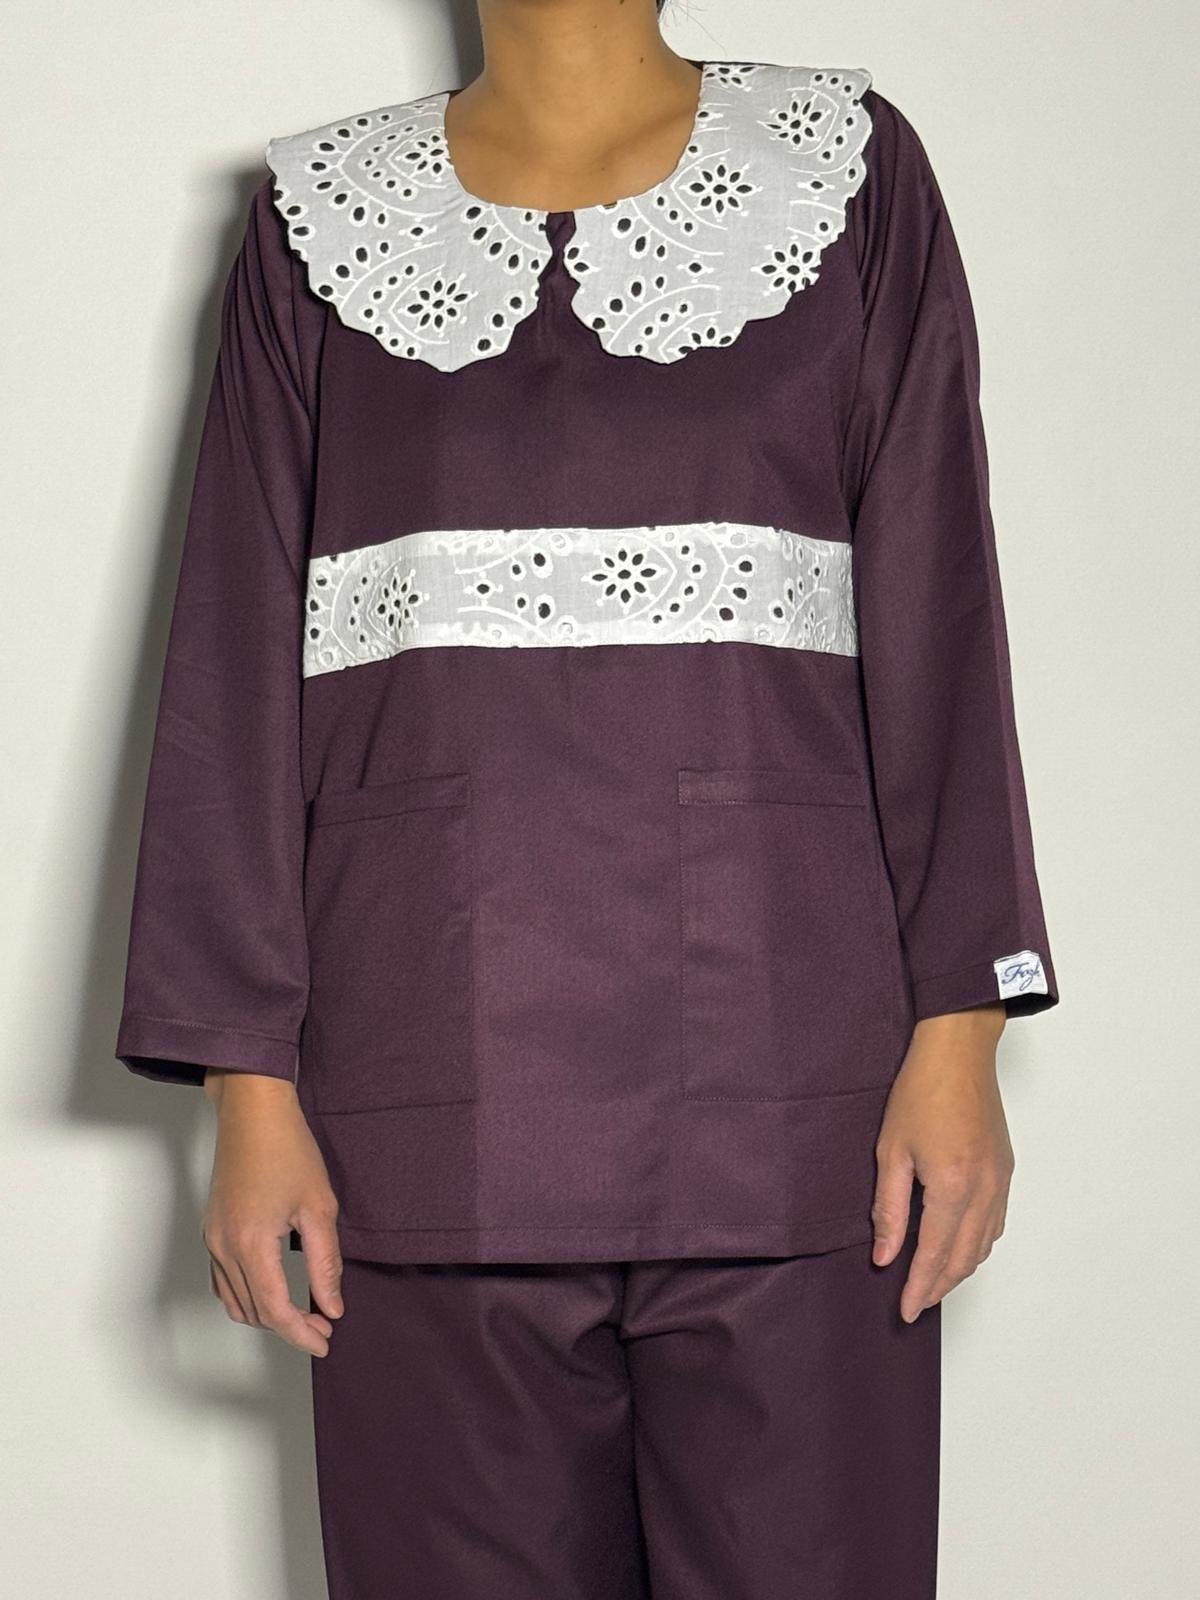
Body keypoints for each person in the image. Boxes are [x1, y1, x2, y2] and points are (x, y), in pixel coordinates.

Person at [114, 2, 1060, 1594]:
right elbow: (232, 659)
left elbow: (939, 606)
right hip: (423, 1115)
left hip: (800, 1114)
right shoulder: (313, 227)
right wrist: (247, 1091)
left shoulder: (848, 175)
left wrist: (960, 1032)